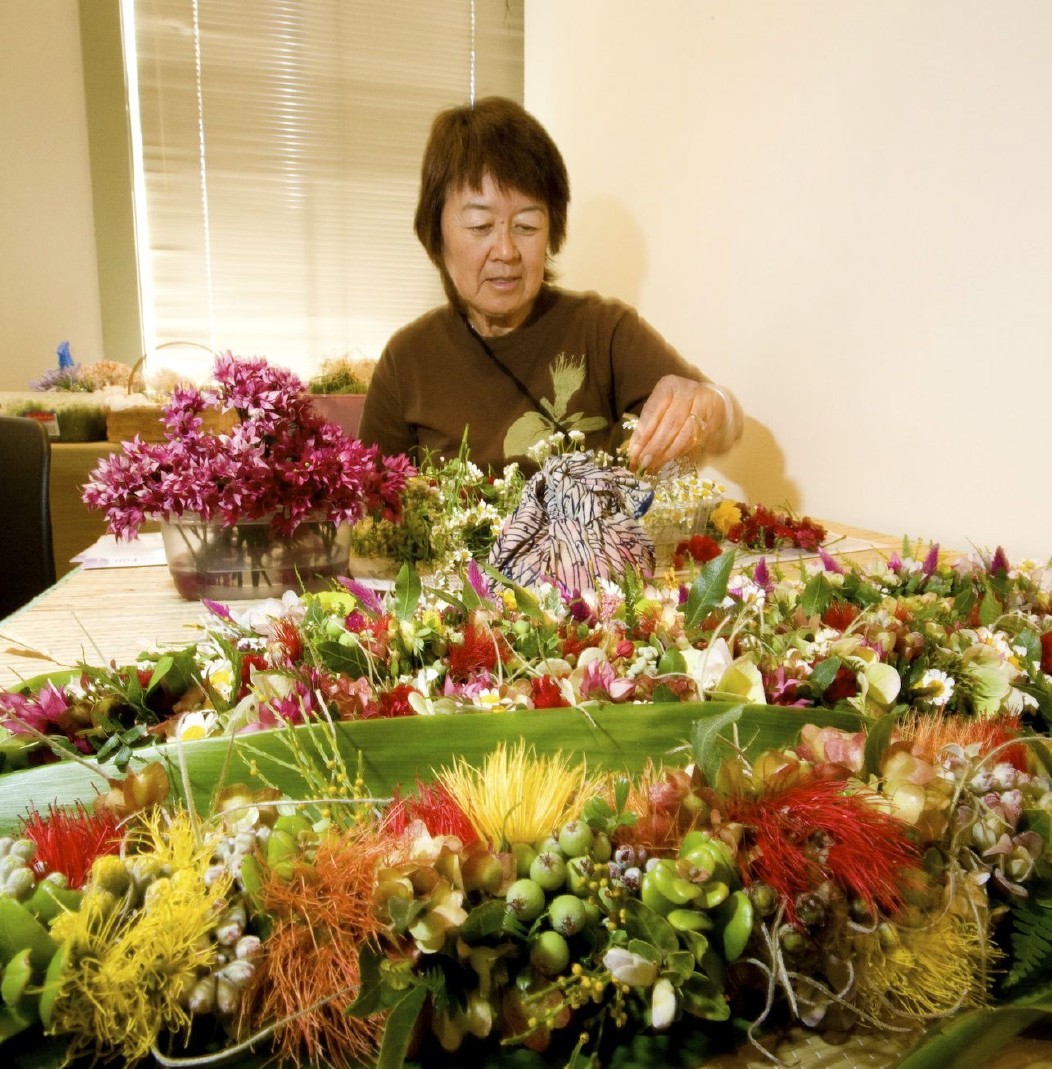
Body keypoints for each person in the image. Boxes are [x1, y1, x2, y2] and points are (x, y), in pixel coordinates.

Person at [358, 96, 743, 475]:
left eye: (526, 226)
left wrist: (710, 405)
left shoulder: (601, 330)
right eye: (480, 226)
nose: (506, 251)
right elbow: (373, 511)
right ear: (437, 233)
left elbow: (727, 423)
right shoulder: (407, 361)